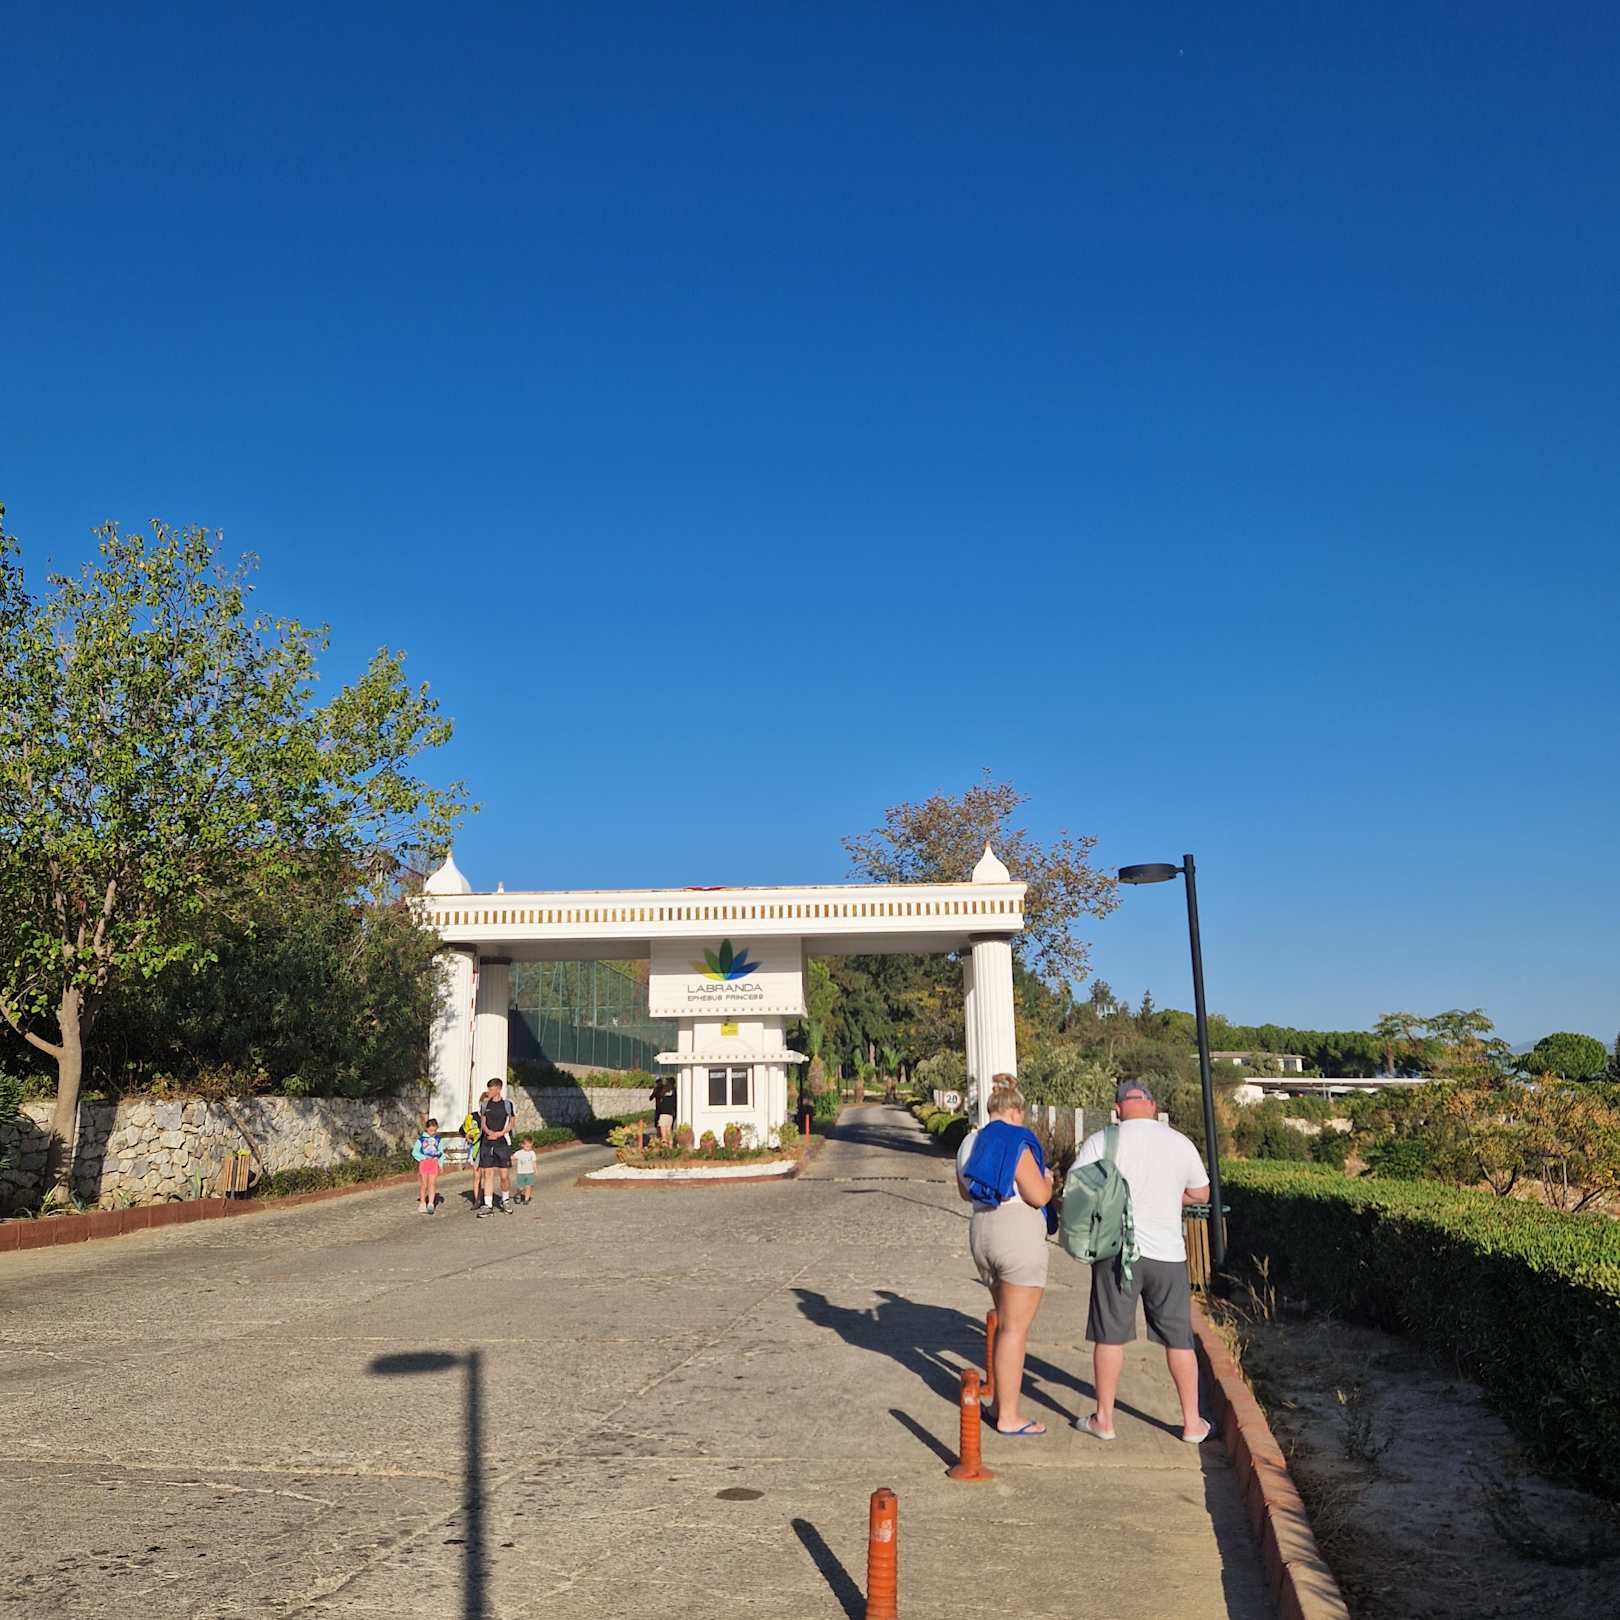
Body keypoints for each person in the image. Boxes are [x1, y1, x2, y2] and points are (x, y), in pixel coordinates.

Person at [1074, 1079, 1213, 1444]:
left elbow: (1077, 1191)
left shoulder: (1100, 1141)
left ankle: (1104, 1419)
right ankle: (1192, 1423)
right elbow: (1201, 1192)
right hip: (1168, 1256)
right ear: (1153, 1107)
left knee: (1109, 1337)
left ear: (1117, 1109)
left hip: (1116, 1252)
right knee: (1179, 1339)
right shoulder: (1179, 1142)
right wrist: (1170, 1198)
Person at [954, 1075, 1055, 1437]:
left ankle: (1001, 1404)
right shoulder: (1016, 1140)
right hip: (1016, 1232)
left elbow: (965, 1193)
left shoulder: (969, 1142)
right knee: (1014, 1330)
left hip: (982, 1232)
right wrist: (1049, 1181)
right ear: (1015, 1111)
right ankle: (1009, 1416)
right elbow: (1038, 1196)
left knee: (1005, 1325)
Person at [477, 1077, 516, 1217]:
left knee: (504, 1176)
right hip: (487, 1143)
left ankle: (505, 1200)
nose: (489, 1091)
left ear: (498, 1089)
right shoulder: (485, 1104)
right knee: (487, 1174)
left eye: (491, 1089)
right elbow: (483, 1122)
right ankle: (488, 1205)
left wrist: (500, 1133)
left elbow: (512, 1122)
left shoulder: (507, 1105)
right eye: (488, 1088)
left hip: (502, 1143)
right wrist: (489, 1132)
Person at [413, 1117, 442, 1213]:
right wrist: (423, 1157)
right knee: (424, 1184)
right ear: (426, 1129)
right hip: (424, 1163)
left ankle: (431, 1203)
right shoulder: (421, 1140)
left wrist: (440, 1164)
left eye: (435, 1130)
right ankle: (422, 1203)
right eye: (431, 1131)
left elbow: (441, 1152)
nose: (433, 1133)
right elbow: (415, 1152)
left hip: (434, 1163)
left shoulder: (438, 1140)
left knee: (432, 1183)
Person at [650, 1076, 677, 1144]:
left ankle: (663, 1144)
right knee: (669, 1130)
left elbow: (651, 1098)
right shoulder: (674, 1091)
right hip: (671, 1113)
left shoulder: (662, 1091)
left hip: (662, 1112)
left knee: (663, 1133)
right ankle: (670, 1145)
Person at [512, 1137, 538, 1204]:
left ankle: (526, 1199)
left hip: (530, 1172)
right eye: (527, 1146)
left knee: (528, 1186)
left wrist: (535, 1170)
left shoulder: (532, 1153)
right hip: (521, 1173)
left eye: (530, 1146)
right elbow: (512, 1158)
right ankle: (518, 1194)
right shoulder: (519, 1153)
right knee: (520, 1187)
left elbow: (534, 1162)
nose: (529, 1148)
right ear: (522, 1145)